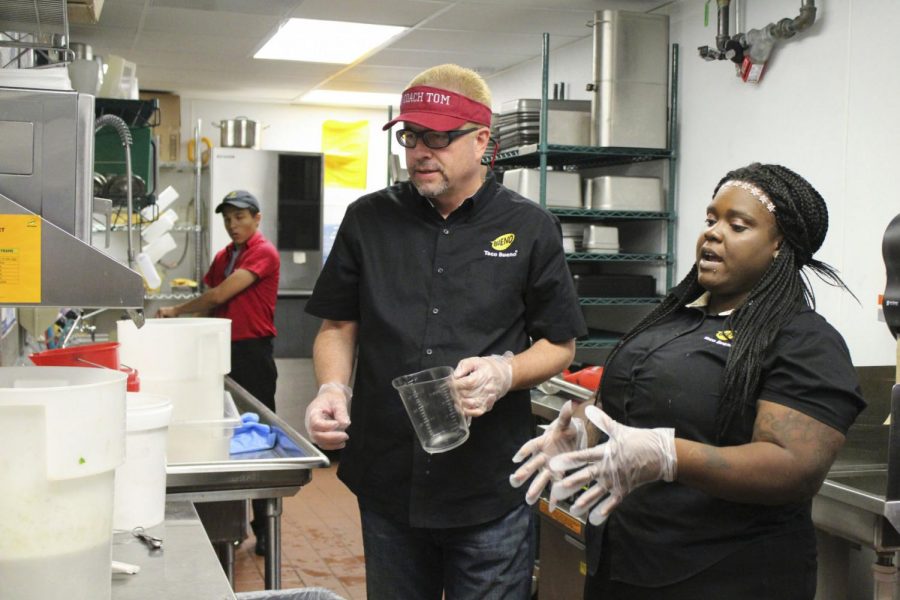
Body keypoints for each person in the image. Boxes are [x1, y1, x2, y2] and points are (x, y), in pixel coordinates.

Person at [510, 163, 866, 599]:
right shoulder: (673, 320)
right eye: (711, 220)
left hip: (727, 577)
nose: (713, 234)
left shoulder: (804, 341)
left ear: (779, 245)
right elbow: (624, 402)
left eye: (737, 225)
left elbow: (793, 469)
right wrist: (583, 429)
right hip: (627, 561)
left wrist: (669, 456)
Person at [303, 63, 586, 599]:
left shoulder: (529, 226)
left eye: (438, 137)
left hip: (488, 485)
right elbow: (338, 325)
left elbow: (560, 345)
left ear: (482, 140)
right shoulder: (368, 219)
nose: (418, 152)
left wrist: (506, 372)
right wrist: (332, 387)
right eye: (410, 136)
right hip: (388, 477)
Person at [157, 189, 280, 556]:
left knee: (258, 440)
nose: (232, 224)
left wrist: (176, 313)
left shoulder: (263, 253)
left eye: (240, 217)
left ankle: (266, 531)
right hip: (220, 351)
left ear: (257, 218)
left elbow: (217, 296)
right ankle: (232, 526)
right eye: (227, 218)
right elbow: (211, 298)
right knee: (223, 435)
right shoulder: (225, 256)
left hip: (252, 354)